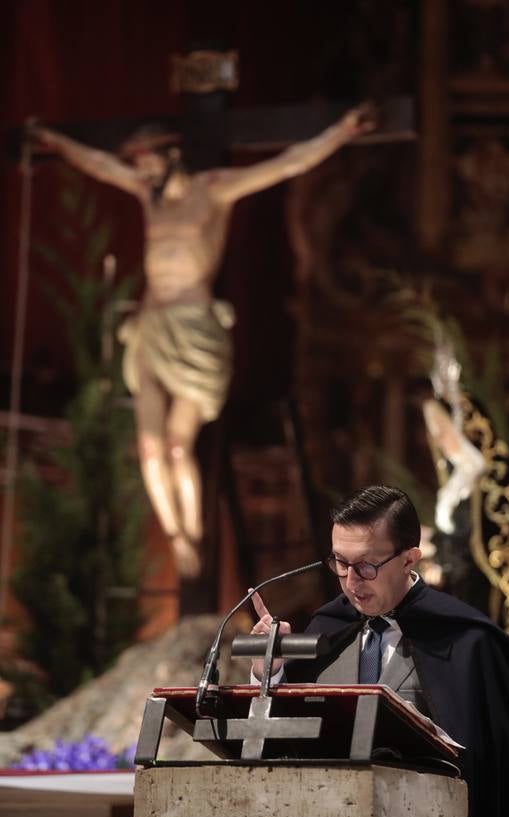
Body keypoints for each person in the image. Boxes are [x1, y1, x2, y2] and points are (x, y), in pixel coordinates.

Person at [29, 107, 375, 576]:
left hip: (193, 328)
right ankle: (175, 535)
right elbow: (101, 166)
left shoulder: (213, 189)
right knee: (149, 446)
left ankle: (193, 530)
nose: (141, 171)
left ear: (173, 156)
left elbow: (289, 163)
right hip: (151, 323)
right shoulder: (148, 196)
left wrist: (342, 132)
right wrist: (56, 140)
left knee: (176, 445)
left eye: (148, 161)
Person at [250, 484, 509, 817]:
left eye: (367, 566)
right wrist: (269, 672)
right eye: (340, 563)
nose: (352, 581)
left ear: (411, 557)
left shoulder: (467, 642)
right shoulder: (325, 629)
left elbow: (491, 781)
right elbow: (273, 744)